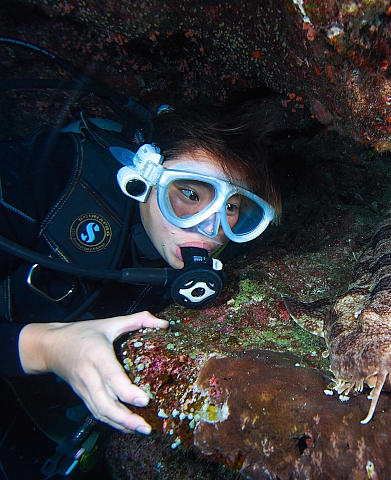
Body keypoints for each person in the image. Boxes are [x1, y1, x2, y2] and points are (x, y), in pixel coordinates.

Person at [0, 105, 281, 440]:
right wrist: (46, 348)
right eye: (190, 194)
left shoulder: (229, 254)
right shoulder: (45, 172)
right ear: (144, 176)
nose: (210, 228)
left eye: (231, 207)